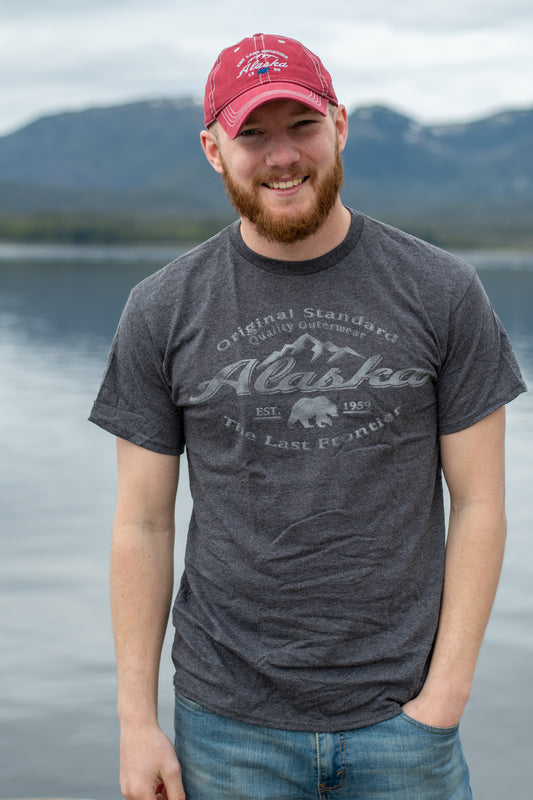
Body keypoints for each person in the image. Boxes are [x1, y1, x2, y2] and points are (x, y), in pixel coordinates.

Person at [90, 32, 527, 800]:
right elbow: (142, 524)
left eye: (301, 126)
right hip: (223, 726)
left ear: (340, 127)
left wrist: (443, 700)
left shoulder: (441, 291)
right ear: (213, 149)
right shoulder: (162, 309)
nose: (281, 155)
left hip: (404, 723)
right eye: (252, 133)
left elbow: (481, 505)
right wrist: (136, 721)